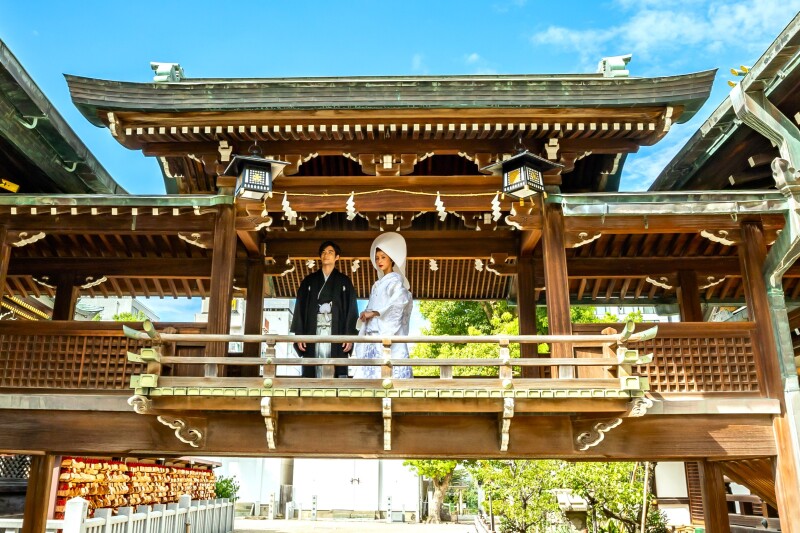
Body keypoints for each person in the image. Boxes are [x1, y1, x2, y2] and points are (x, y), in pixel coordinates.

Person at [290, 241, 358, 378]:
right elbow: (300, 308)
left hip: (337, 330)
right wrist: (299, 334)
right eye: (323, 252)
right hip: (312, 328)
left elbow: (351, 309)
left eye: (330, 252)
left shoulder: (344, 281)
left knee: (336, 365)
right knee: (312, 366)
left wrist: (349, 335)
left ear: (337, 257)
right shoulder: (309, 281)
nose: (326, 255)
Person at [352, 232, 413, 379]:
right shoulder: (377, 285)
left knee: (389, 376)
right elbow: (372, 306)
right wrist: (366, 314)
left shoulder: (396, 282)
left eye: (383, 257)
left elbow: (399, 302)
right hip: (372, 335)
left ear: (391, 260)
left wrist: (373, 313)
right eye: (377, 258)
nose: (379, 261)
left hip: (385, 334)